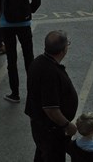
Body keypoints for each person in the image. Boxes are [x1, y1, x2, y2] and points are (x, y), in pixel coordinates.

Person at [25, 31, 78, 162]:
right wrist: (67, 125)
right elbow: (51, 109)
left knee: (43, 155)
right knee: (53, 156)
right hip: (51, 130)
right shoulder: (50, 73)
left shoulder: (39, 61)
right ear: (63, 49)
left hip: (40, 126)